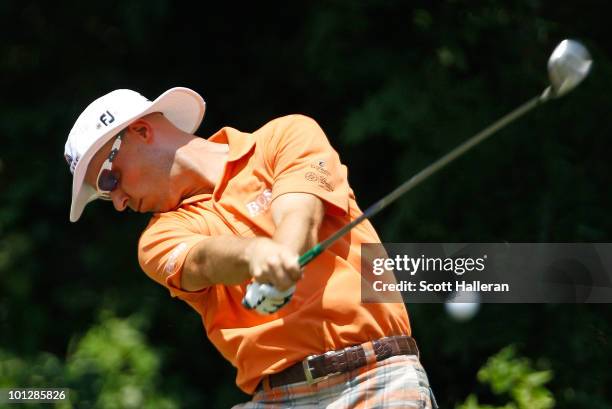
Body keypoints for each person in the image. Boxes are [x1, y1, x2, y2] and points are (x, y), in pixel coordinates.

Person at [64, 87, 437, 408]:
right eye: (103, 194)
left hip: (379, 380)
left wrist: (283, 252)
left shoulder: (286, 135)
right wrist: (257, 257)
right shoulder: (157, 240)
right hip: (277, 397)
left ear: (142, 131)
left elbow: (300, 211)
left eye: (109, 179)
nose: (117, 202)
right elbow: (205, 261)